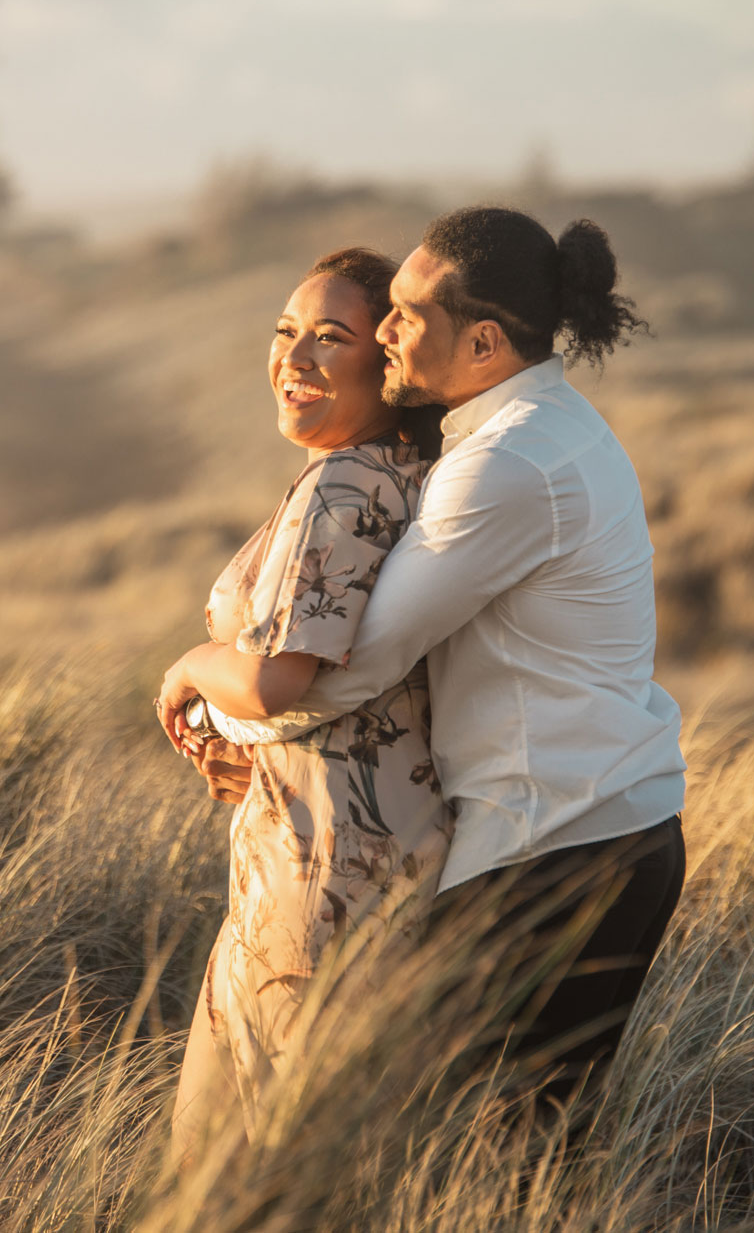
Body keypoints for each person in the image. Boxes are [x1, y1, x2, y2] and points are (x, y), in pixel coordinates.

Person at [158, 206, 686, 1121]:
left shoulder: (507, 465)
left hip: (553, 844)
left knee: (483, 1145)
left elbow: (353, 668)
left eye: (403, 314)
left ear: (482, 341)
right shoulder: (539, 429)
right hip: (602, 825)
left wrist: (205, 695)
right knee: (520, 1146)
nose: (386, 331)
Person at [159, 247, 453, 1162]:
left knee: (240, 1175)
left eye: (333, 337)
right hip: (350, 850)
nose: (297, 357)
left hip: (322, 878)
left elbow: (283, 677)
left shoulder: (346, 484)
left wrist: (189, 668)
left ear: (389, 366)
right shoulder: (404, 474)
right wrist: (248, 749)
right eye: (286, 332)